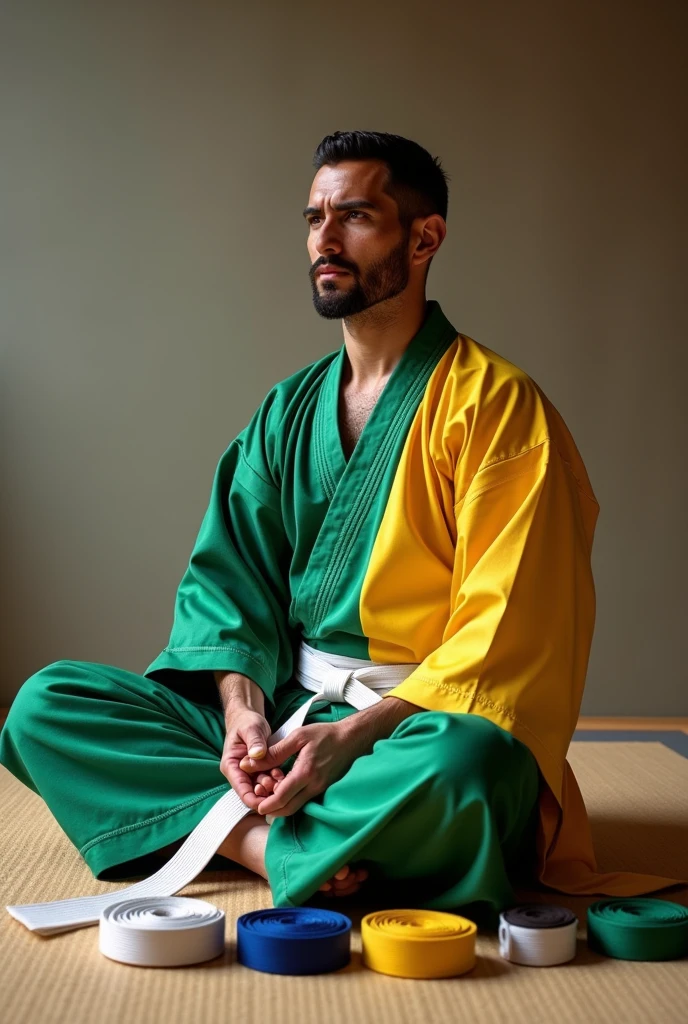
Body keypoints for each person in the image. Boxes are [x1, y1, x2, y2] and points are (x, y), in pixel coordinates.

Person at [1, 131, 682, 920]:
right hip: (290, 706)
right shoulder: (287, 411)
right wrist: (242, 712)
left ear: (424, 238)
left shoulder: (498, 408)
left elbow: (512, 626)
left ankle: (243, 828)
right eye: (314, 215)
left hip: (415, 725)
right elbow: (229, 590)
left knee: (464, 769)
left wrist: (353, 737)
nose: (323, 238)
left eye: (355, 215)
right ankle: (265, 847)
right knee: (47, 703)